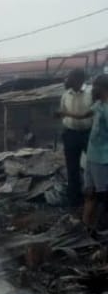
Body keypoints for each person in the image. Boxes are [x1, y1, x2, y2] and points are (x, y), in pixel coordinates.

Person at [58, 68, 92, 207]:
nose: (67, 80)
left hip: (88, 134)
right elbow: (63, 111)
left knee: (94, 166)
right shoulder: (66, 94)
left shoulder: (91, 92)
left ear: (78, 79)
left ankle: (95, 197)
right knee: (72, 167)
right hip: (70, 134)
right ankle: (74, 199)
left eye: (69, 77)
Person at [83, 74, 108, 230]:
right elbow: (86, 114)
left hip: (103, 159)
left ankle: (101, 226)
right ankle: (86, 226)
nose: (92, 89)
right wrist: (68, 114)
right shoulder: (98, 105)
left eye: (95, 86)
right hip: (92, 157)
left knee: (103, 195)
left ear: (103, 88)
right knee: (90, 193)